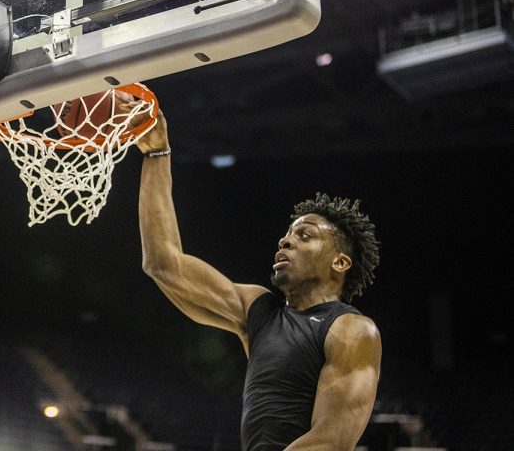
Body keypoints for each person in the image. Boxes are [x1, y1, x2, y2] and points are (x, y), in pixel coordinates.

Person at [132, 107, 382, 451]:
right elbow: (163, 263)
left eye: (305, 235)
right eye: (287, 234)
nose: (286, 240)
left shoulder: (352, 330)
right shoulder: (261, 311)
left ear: (340, 262)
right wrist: (157, 153)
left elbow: (332, 440)